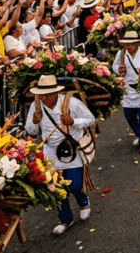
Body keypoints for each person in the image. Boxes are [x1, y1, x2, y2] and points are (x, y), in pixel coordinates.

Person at [24, 75, 96, 236]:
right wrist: (35, 121)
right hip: (50, 153)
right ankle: (65, 219)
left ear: (56, 93)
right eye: (41, 95)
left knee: (75, 185)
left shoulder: (71, 102)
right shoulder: (35, 107)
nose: (44, 98)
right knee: (55, 187)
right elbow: (30, 130)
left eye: (48, 94)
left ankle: (84, 202)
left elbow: (90, 119)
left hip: (72, 151)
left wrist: (73, 122)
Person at [112, 30, 140, 154]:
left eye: (131, 44)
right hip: (128, 89)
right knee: (129, 115)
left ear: (137, 43)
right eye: (126, 44)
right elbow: (114, 66)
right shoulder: (121, 54)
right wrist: (119, 69)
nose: (129, 46)